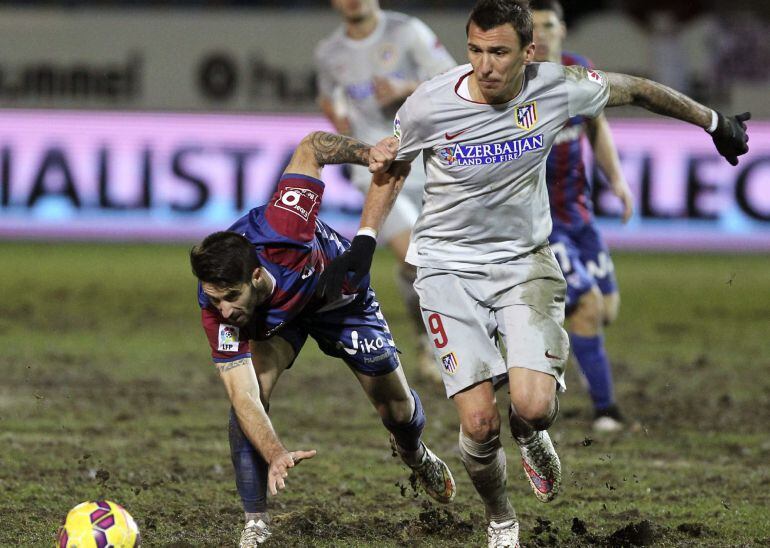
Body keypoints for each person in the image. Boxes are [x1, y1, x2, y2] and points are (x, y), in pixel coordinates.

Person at [316, 1, 750, 545]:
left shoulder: (558, 86)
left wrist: (714, 122)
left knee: (533, 407)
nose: (485, 65)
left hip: (525, 265)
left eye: (499, 52)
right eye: (475, 51)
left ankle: (533, 435)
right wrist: (365, 240)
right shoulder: (429, 102)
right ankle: (502, 519)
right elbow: (392, 169)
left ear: (530, 52)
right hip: (448, 272)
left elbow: (638, 88)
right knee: (477, 424)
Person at [191, 131, 456, 547]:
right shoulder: (218, 308)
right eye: (214, 299)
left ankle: (416, 454)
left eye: (230, 297)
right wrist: (276, 451)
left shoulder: (286, 225)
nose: (224, 311)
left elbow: (312, 147)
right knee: (251, 399)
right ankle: (255, 522)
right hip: (278, 322)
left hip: (339, 299)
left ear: (256, 276)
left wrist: (368, 154)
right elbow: (243, 398)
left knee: (398, 410)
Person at [314, 0, 457, 381]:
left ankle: (452, 336)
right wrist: (343, 126)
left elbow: (455, 80)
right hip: (378, 170)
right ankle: (432, 346)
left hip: (433, 163)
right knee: (414, 257)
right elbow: (327, 95)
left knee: (443, 261)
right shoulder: (330, 52)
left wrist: (405, 88)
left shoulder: (407, 31)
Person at [531, 0, 632, 432]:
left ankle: (530, 344)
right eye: (530, 26)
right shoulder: (513, 83)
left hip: (580, 216)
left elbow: (597, 127)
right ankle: (606, 410)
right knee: (588, 308)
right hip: (541, 224)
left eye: (547, 25)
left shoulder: (579, 70)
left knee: (607, 309)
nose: (539, 34)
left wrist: (618, 181)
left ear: (563, 29)